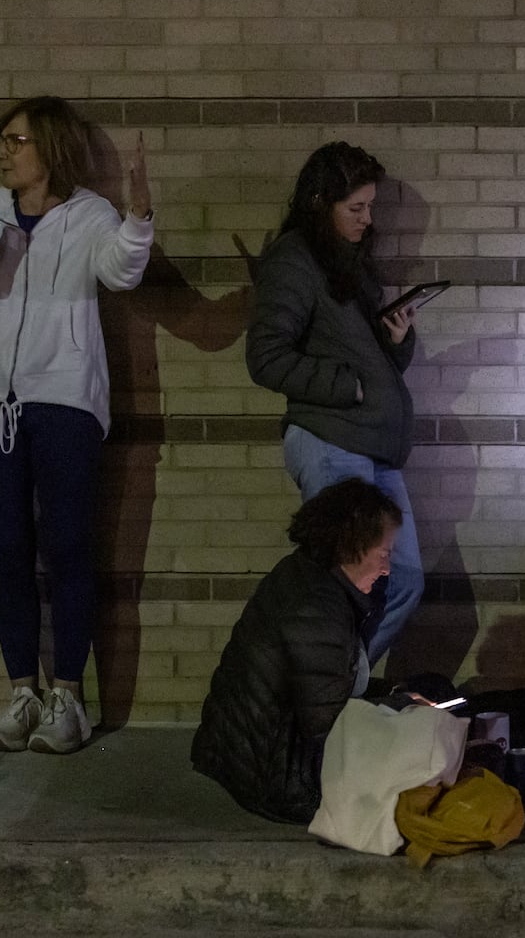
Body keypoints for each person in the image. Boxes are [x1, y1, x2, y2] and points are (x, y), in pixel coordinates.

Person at [0, 96, 154, 754]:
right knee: (7, 553)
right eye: (0, 141)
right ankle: (23, 692)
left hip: (65, 400)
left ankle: (69, 698)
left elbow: (121, 273)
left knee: (68, 547)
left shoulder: (88, 215)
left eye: (16, 140)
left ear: (49, 146)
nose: (3, 152)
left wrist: (137, 216)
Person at [245, 142, 423, 663]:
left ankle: (336, 685)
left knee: (404, 578)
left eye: (370, 207)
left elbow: (372, 362)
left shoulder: (350, 265)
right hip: (332, 441)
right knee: (348, 585)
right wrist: (349, 387)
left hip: (373, 446)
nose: (368, 220)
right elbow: (266, 357)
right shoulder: (295, 259)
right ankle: (323, 694)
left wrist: (396, 342)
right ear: (320, 202)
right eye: (356, 208)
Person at [190, 478, 401, 823]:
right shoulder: (317, 605)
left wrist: (395, 694)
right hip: (283, 782)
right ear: (353, 546)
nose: (387, 568)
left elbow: (326, 684)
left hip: (253, 762)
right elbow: (329, 725)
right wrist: (404, 711)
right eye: (384, 553)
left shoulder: (307, 575)